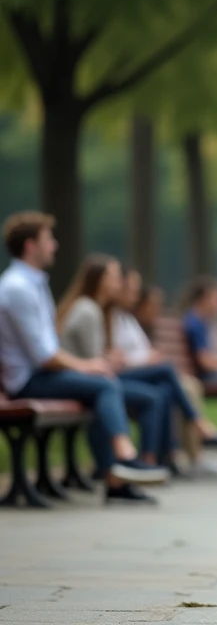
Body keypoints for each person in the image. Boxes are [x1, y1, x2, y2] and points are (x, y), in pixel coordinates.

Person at [0, 212, 169, 502]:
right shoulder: (18, 288)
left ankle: (118, 476)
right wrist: (89, 366)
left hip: (38, 375)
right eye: (48, 240)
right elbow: (44, 356)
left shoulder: (32, 284)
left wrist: (92, 366)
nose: (54, 245)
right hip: (27, 381)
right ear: (30, 246)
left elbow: (48, 347)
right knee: (104, 384)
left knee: (104, 384)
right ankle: (122, 461)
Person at [58, 255, 217, 477]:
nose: (119, 284)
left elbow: (96, 359)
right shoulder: (89, 309)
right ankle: (122, 466)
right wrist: (112, 360)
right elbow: (93, 363)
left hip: (93, 377)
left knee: (159, 391)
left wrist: (110, 359)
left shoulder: (101, 310)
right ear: (100, 280)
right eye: (115, 278)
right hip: (87, 379)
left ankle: (151, 461)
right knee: (153, 378)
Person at [112, 269, 217, 473]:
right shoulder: (115, 317)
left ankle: (162, 458)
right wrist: (148, 358)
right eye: (131, 290)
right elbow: (115, 356)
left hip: (139, 373)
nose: (135, 296)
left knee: (165, 391)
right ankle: (197, 426)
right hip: (121, 375)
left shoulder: (127, 319)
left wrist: (149, 356)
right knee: (170, 376)